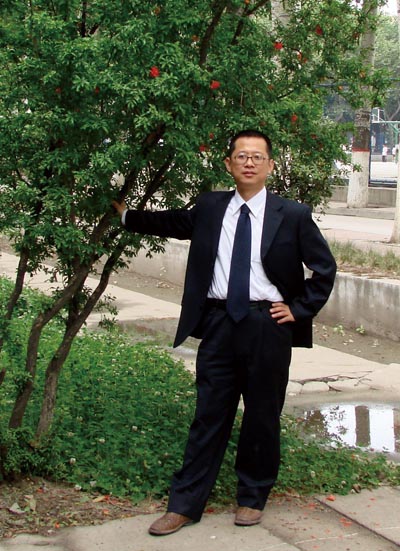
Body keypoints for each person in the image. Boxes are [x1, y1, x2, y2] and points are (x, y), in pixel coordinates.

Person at [112, 129, 336, 536]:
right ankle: (184, 505)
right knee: (209, 414)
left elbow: (324, 268)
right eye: (241, 156)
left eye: (257, 156)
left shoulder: (293, 215)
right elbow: (173, 222)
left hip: (267, 325)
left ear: (270, 165)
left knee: (262, 415)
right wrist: (128, 216)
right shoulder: (211, 207)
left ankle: (252, 497)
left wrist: (299, 309)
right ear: (228, 163)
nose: (249, 162)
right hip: (219, 324)